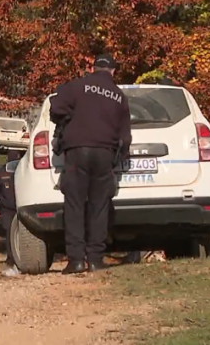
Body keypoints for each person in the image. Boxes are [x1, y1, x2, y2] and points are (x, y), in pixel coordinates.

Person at [49, 53, 131, 274]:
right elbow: (125, 137)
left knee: (74, 204)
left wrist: (68, 119)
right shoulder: (119, 96)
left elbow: (56, 108)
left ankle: (76, 260)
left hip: (77, 151)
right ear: (113, 71)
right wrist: (120, 157)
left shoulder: (77, 86)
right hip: (105, 153)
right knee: (99, 205)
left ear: (93, 68)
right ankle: (95, 259)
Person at [0, 163, 20, 276]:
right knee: (9, 232)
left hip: (22, 207)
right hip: (7, 209)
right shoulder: (1, 173)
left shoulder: (23, 170)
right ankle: (11, 259)